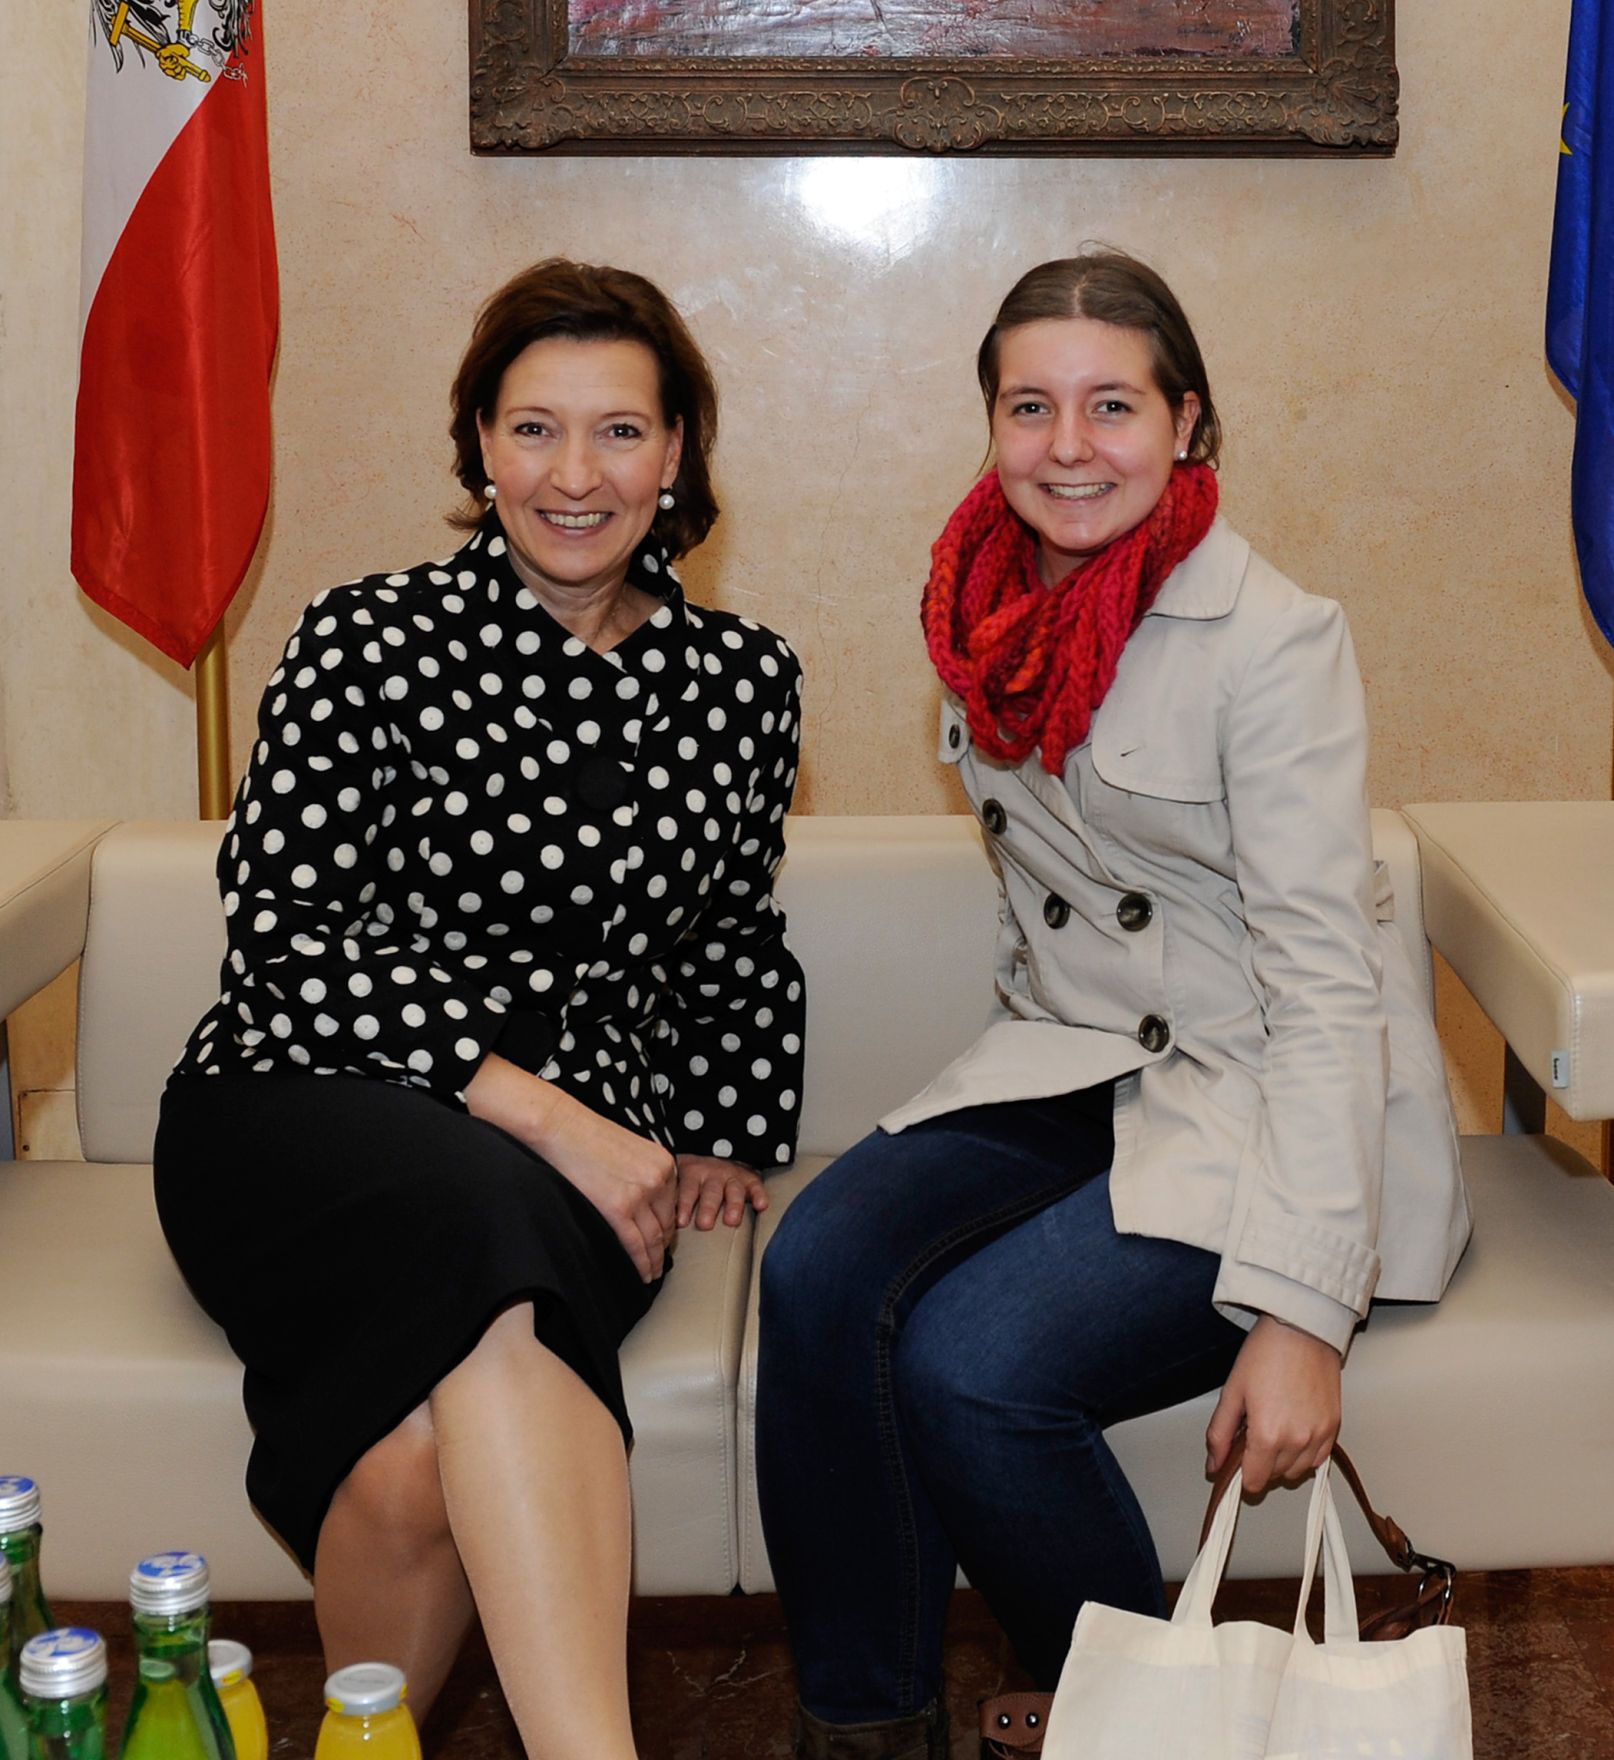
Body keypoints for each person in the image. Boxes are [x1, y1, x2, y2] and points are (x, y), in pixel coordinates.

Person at [753, 249, 1470, 1760]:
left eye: (1111, 405)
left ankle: (1142, 1731)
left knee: (974, 1367)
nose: (1067, 446)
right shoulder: (977, 611)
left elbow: (1325, 987)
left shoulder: (1272, 638)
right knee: (815, 1264)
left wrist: (1304, 1308)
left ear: (1185, 421)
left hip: (1256, 1090)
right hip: (1075, 1060)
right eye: (1030, 407)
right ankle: (867, 1725)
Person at [154, 259, 806, 1760]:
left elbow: (729, 929)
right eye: (532, 429)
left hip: (582, 1151)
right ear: (479, 449)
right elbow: (282, 937)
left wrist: (721, 1128)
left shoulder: (744, 680)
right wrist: (552, 1119)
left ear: (678, 453)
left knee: (408, 1460)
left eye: (619, 431)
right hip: (304, 1101)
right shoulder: (364, 636)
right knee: (489, 1217)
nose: (575, 476)